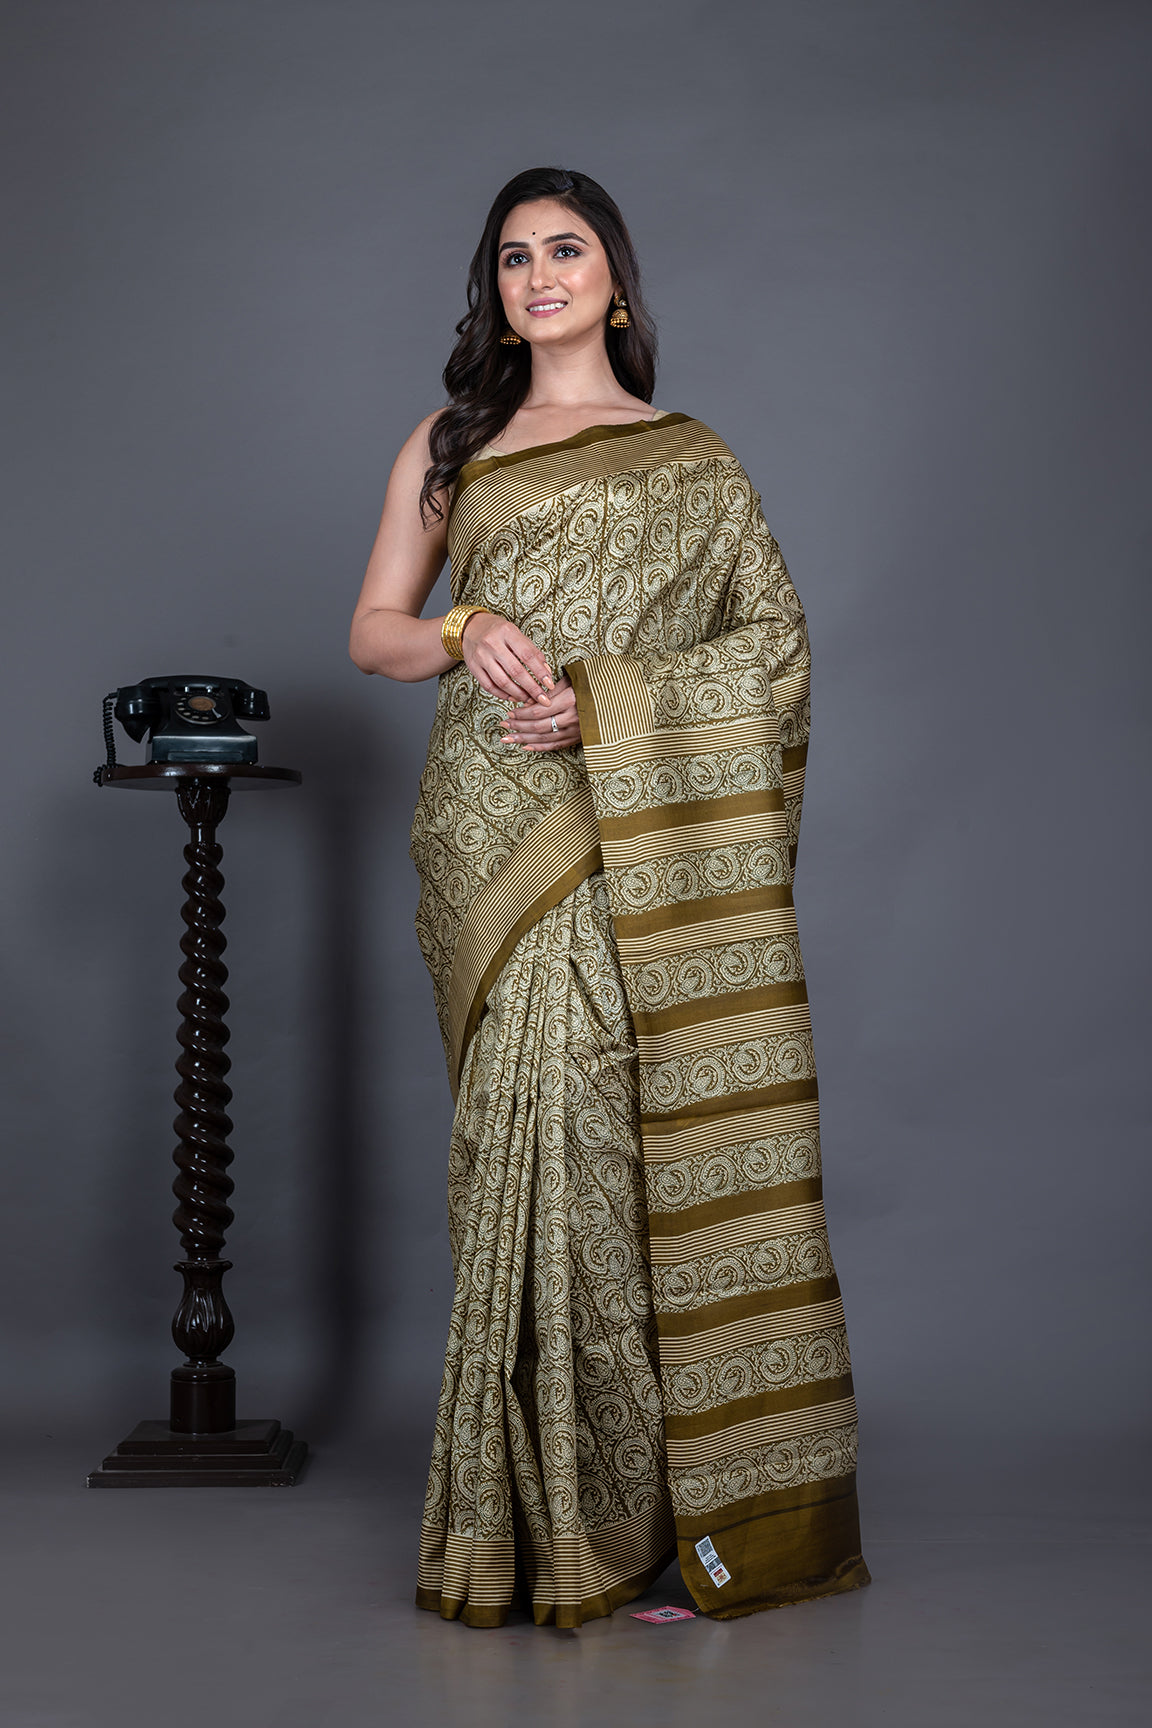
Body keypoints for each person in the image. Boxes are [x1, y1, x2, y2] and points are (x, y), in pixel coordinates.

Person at [349, 166, 869, 1629]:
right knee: (512, 1168)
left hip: (625, 833)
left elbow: (776, 655)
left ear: (617, 282)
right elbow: (374, 632)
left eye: (565, 250)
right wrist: (465, 624)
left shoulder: (692, 461)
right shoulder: (452, 444)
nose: (538, 276)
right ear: (495, 291)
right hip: (485, 844)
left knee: (610, 1160)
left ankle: (642, 1530)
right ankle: (523, 1526)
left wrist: (613, 708)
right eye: (513, 258)